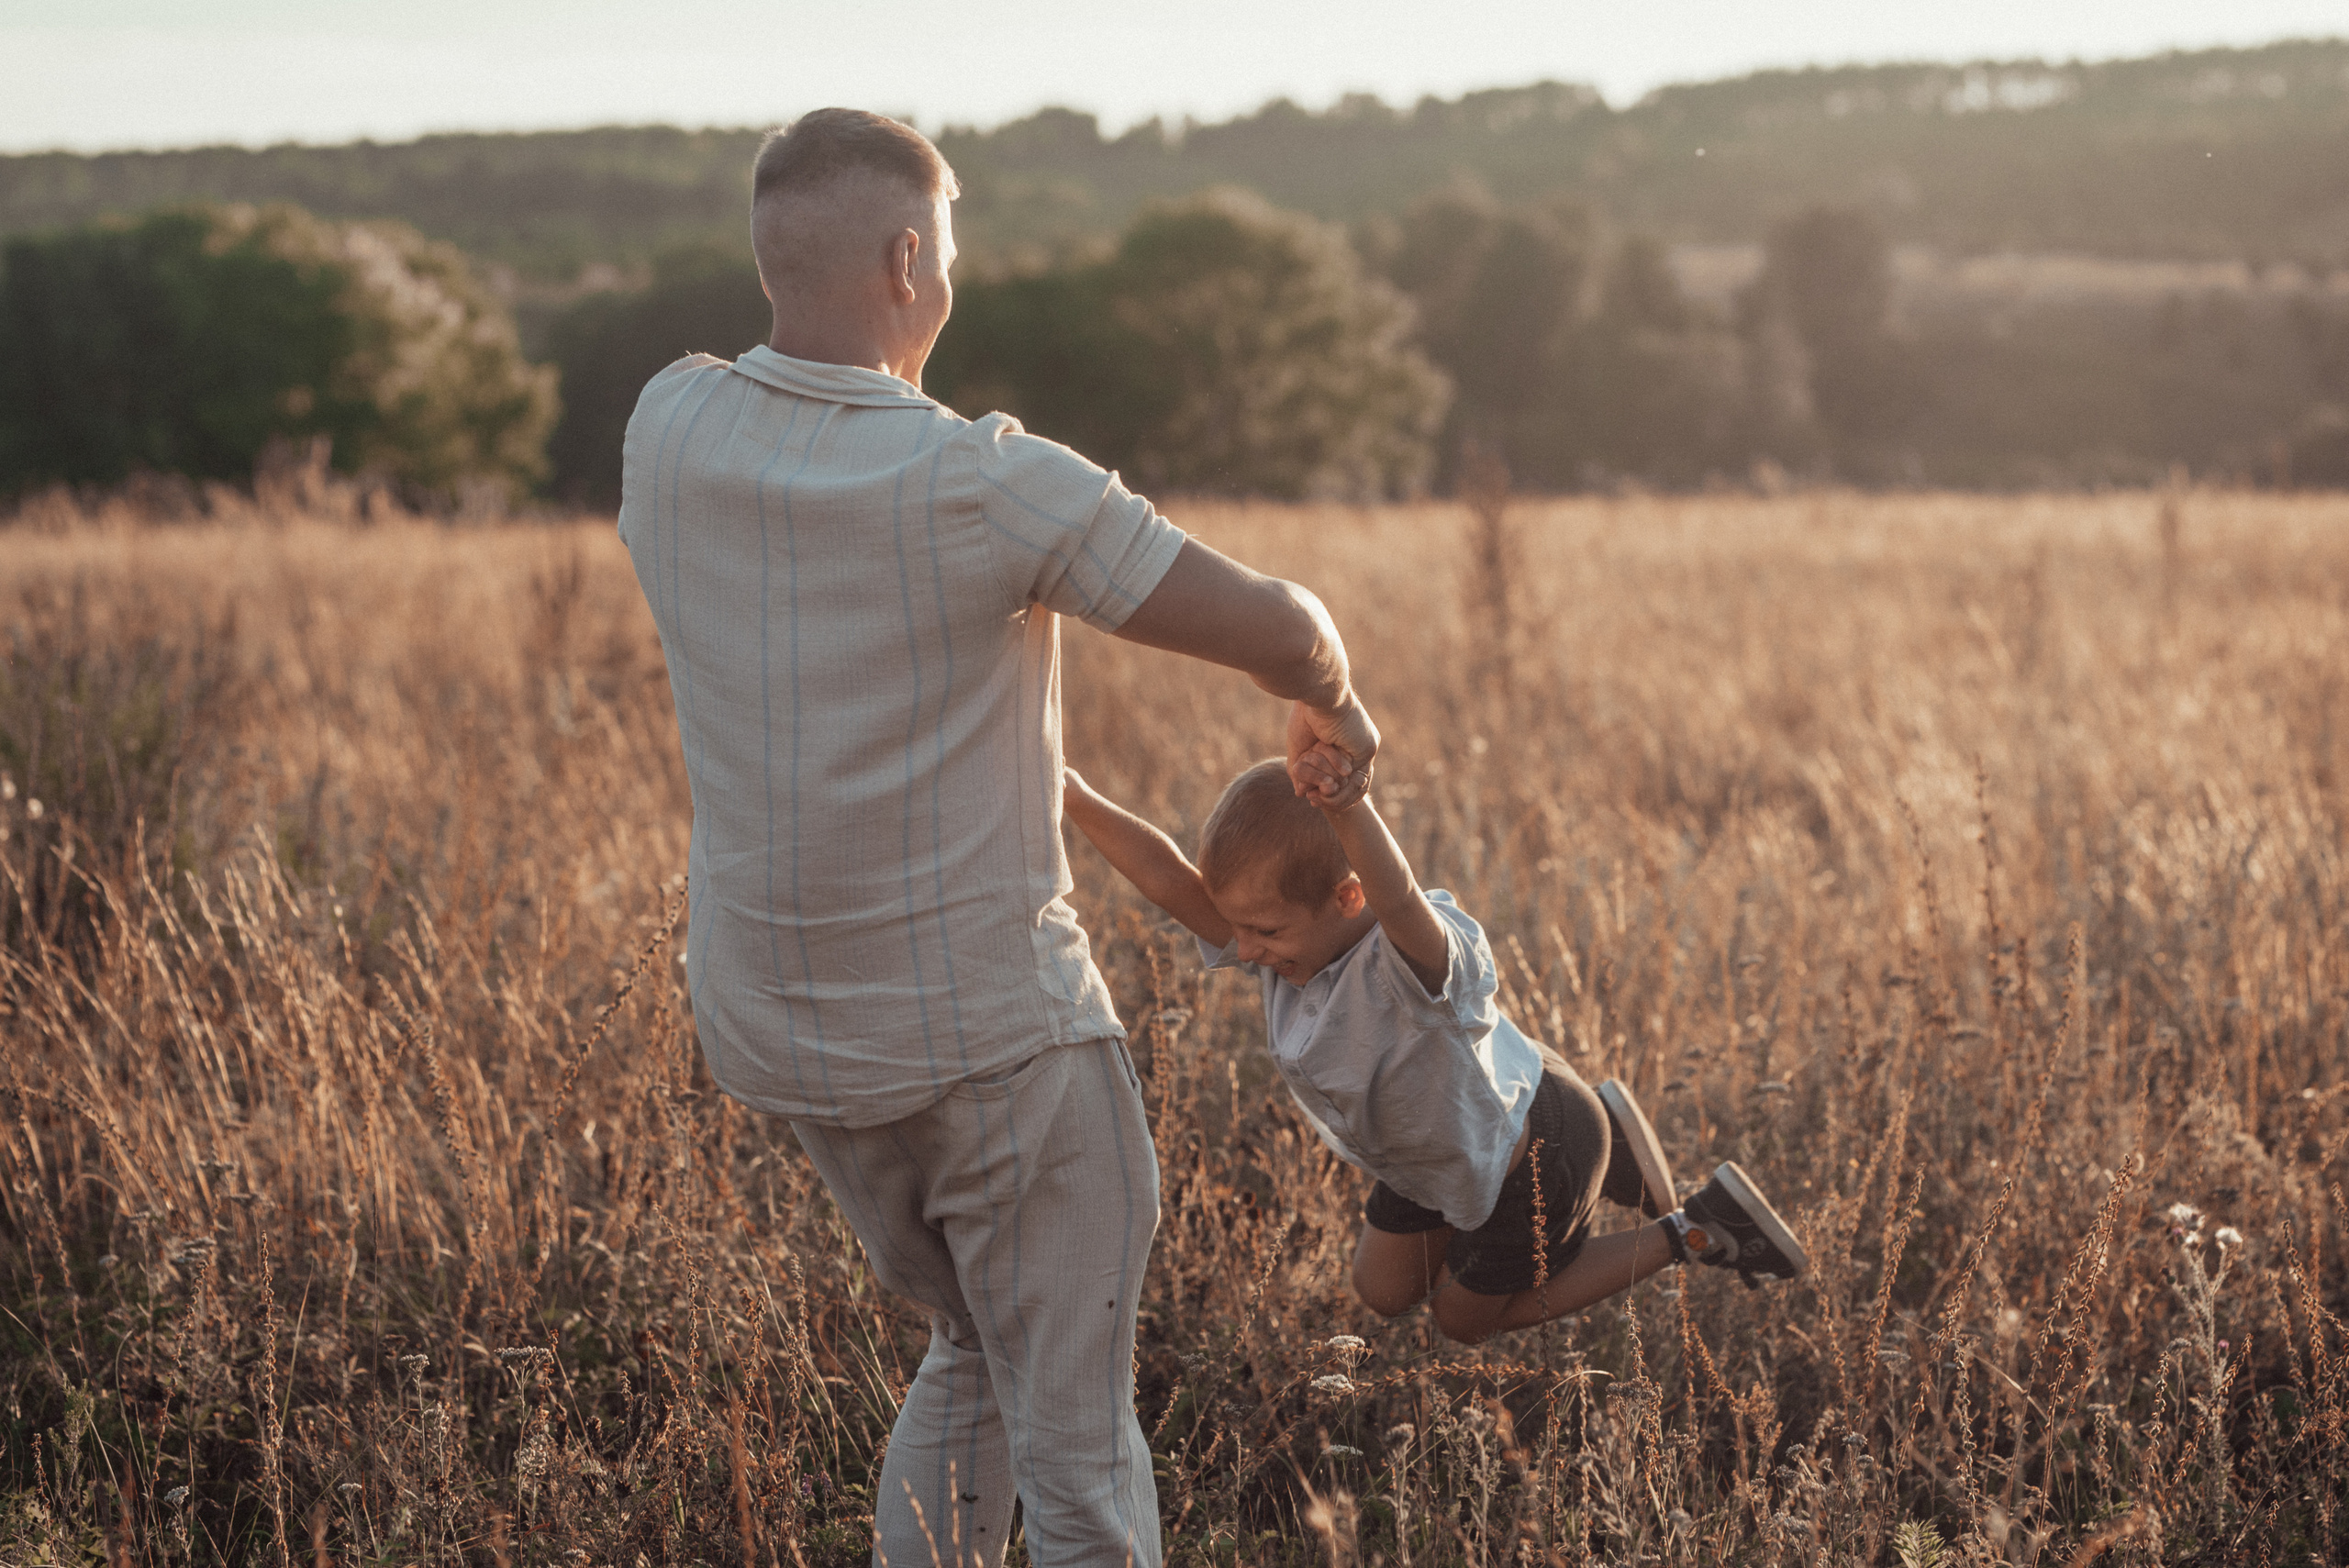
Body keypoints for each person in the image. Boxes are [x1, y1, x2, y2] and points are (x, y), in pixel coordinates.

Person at [616, 109, 1375, 1567]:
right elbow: (1283, 627)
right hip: (991, 1043)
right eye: (948, 253)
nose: (952, 281)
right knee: (1079, 1458)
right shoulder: (984, 479)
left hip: (784, 1033)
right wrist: (1337, 702)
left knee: (973, 1344)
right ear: (911, 260)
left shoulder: (671, 424)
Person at [1063, 755, 1807, 1343]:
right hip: (1446, 1152)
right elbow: (1168, 878)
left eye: (1265, 932)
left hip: (1533, 1159)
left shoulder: (1409, 959)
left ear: (1346, 898)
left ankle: (1699, 1228)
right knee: (1383, 1294)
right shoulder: (1287, 940)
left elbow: (1398, 894)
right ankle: (1615, 1145)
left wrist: (1349, 805)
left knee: (1464, 1319)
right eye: (1241, 930)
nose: (1246, 951)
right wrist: (1069, 792)